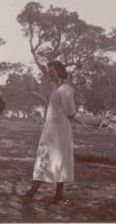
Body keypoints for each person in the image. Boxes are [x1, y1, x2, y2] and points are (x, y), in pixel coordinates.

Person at [22, 61, 80, 204]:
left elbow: (70, 112)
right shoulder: (57, 89)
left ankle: (45, 193)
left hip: (60, 130)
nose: (49, 73)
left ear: (59, 71)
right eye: (49, 70)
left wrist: (87, 120)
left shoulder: (66, 89)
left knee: (58, 159)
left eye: (52, 70)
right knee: (44, 157)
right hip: (50, 129)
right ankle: (39, 192)